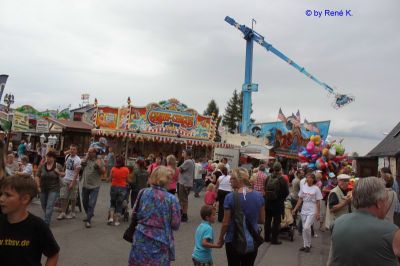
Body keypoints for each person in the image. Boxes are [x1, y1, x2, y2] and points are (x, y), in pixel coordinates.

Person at [328, 176, 400, 265]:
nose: (386, 204)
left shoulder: (337, 223)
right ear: (379, 203)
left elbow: (331, 261)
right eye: (385, 200)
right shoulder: (392, 231)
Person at [0, 175, 60, 265]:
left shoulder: (38, 226)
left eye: (7, 195)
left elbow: (53, 254)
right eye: (1, 194)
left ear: (25, 199)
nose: (1, 199)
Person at [128, 166, 181, 266]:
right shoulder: (171, 199)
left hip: (140, 237)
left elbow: (134, 213)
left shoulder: (143, 192)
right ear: (166, 180)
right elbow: (176, 224)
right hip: (160, 240)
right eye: (170, 178)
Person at [218, 167, 265, 266]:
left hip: (233, 239)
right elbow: (261, 220)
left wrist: (221, 238)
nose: (230, 180)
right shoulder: (259, 196)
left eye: (232, 178)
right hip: (252, 239)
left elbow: (225, 223)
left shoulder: (229, 197)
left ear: (239, 180)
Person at [292, 173, 322, 252]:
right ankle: (306, 245)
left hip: (312, 209)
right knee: (304, 229)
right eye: (307, 178)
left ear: (313, 179)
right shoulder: (303, 187)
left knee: (306, 227)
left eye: (309, 178)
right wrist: (295, 209)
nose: (308, 179)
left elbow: (318, 202)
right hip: (304, 208)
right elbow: (300, 199)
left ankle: (308, 245)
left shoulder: (316, 189)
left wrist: (318, 213)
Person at [36, 151, 64, 225]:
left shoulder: (58, 166)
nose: (47, 159)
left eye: (49, 157)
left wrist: (59, 172)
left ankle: (46, 222)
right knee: (43, 204)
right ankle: (48, 215)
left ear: (54, 158)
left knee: (49, 205)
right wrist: (38, 186)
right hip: (43, 188)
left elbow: (64, 174)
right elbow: (37, 176)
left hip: (54, 189)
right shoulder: (42, 165)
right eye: (47, 157)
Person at [264, 162, 289, 244]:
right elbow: (286, 192)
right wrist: (281, 198)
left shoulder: (268, 178)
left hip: (268, 202)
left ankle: (266, 238)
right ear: (280, 169)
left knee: (267, 220)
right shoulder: (283, 180)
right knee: (276, 221)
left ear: (273, 169)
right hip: (278, 203)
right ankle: (274, 239)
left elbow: (265, 188)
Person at [81, 147, 105, 228]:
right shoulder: (86, 159)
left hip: (95, 185)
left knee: (91, 203)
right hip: (85, 184)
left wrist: (98, 167)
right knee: (84, 201)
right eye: (88, 152)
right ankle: (89, 213)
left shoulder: (99, 161)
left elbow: (103, 172)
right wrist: (86, 158)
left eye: (90, 152)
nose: (89, 153)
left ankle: (88, 220)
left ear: (95, 153)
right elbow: (82, 165)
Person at [58, 144, 81, 220]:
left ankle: (73, 212)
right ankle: (63, 212)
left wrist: (72, 183)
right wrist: (63, 173)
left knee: (73, 197)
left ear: (76, 151)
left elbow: (76, 173)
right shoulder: (67, 156)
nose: (72, 151)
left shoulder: (78, 159)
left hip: (73, 180)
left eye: (74, 149)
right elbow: (63, 154)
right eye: (71, 149)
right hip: (66, 178)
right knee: (63, 196)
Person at [108, 155, 128, 226]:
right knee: (119, 204)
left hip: (114, 187)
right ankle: (116, 221)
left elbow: (110, 178)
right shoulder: (126, 169)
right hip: (122, 188)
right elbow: (127, 179)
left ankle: (111, 218)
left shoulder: (113, 169)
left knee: (112, 203)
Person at [178, 149, 195, 222]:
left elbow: (180, 169)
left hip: (184, 183)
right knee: (184, 199)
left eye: (183, 152)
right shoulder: (190, 161)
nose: (182, 153)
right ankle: (183, 214)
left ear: (187, 154)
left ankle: (184, 215)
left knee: (183, 200)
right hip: (187, 183)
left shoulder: (188, 161)